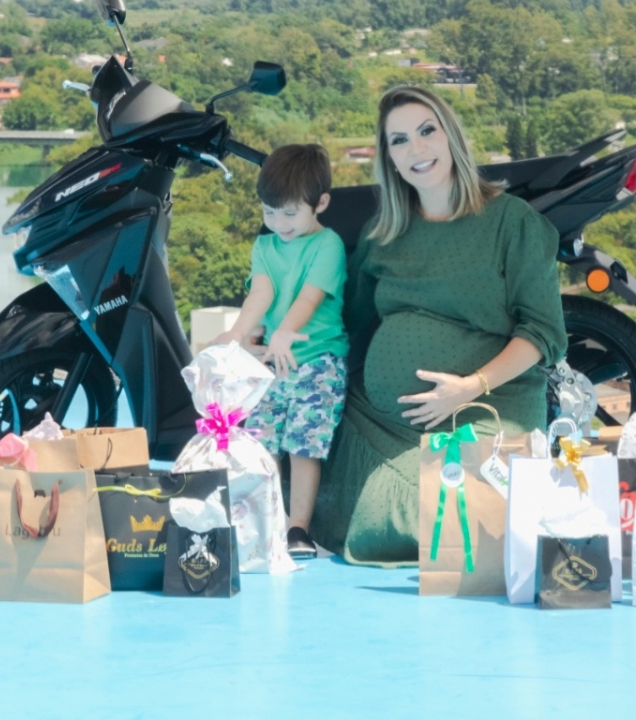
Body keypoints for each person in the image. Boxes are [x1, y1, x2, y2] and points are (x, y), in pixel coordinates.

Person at [309, 85, 568, 566]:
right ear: (389, 158)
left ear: (451, 136)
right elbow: (345, 321)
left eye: (427, 131)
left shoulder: (510, 221)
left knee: (452, 518)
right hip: (381, 421)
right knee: (295, 462)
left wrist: (469, 387)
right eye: (400, 140)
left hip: (488, 407)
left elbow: (543, 333)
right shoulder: (385, 234)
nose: (417, 149)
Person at [213, 144, 349, 560]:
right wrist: (236, 332)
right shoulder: (265, 247)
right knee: (263, 440)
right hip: (274, 360)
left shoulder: (328, 244)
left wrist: (286, 331)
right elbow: (261, 292)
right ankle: (267, 521)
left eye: (290, 213)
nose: (279, 223)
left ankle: (297, 528)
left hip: (318, 359)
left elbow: (309, 297)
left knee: (303, 445)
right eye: (270, 212)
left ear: (320, 203)